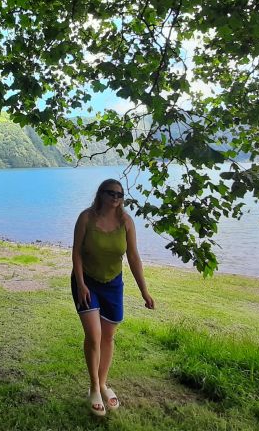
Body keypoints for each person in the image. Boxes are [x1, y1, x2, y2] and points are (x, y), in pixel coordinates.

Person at [71, 178, 155, 416]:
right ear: (101, 194)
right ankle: (94, 388)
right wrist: (80, 284)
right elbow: (76, 252)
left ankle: (104, 383)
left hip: (113, 284)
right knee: (94, 336)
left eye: (119, 194)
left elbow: (134, 257)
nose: (116, 198)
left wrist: (144, 291)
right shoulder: (86, 218)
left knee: (108, 336)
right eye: (111, 193)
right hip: (86, 282)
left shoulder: (126, 222)